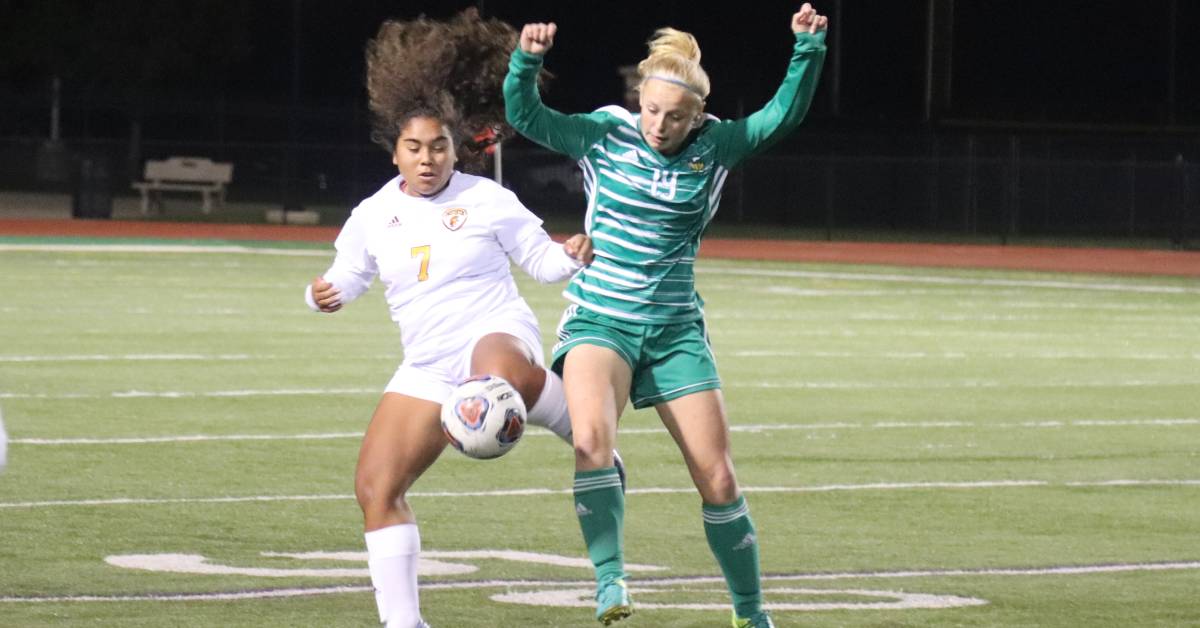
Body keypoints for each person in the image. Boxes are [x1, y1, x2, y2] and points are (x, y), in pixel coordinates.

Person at [504, 5, 828, 627]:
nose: (659, 124)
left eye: (674, 116)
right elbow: (526, 116)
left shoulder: (718, 145)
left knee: (718, 478)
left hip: (676, 330)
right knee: (593, 443)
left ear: (697, 117)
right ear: (638, 100)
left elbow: (780, 116)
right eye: (651, 109)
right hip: (602, 319)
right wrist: (527, 62)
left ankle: (751, 613)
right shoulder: (606, 132)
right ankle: (610, 581)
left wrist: (806, 51)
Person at [306, 11, 601, 628]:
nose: (427, 158)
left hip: (495, 332)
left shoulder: (487, 199)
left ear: (456, 148)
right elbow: (348, 275)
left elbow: (541, 262)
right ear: (395, 153)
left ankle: (569, 412)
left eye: (439, 146)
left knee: (489, 379)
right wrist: (323, 295)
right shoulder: (371, 215)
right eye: (414, 147)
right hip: (428, 363)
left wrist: (569, 255)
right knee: (375, 489)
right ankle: (404, 623)